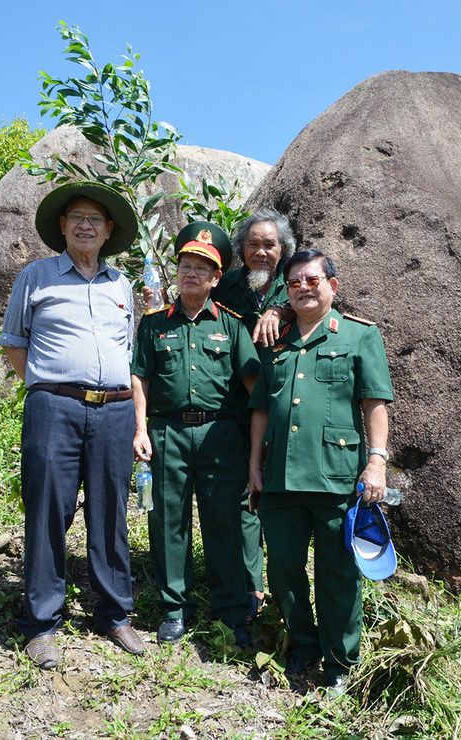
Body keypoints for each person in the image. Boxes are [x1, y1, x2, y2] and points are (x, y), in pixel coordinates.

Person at [0, 181, 145, 669]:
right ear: (62, 226)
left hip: (115, 410)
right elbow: (15, 342)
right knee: (48, 509)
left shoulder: (121, 285)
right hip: (54, 408)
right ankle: (41, 624)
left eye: (95, 219)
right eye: (77, 217)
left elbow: (127, 351)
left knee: (111, 511)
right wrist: (49, 388)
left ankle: (114, 615)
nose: (86, 225)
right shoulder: (36, 276)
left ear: (108, 231)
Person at [247, 249, 394, 693]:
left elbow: (374, 402)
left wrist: (376, 461)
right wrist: (255, 465)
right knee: (284, 571)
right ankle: (303, 645)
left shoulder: (359, 335)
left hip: (336, 476)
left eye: (312, 280)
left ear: (332, 285)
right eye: (294, 283)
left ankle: (339, 662)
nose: (303, 289)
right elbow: (261, 409)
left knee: (338, 574)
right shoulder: (276, 341)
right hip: (280, 478)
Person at [131, 223, 260, 645]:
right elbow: (140, 379)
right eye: (185, 265)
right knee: (168, 520)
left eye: (201, 268)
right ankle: (175, 608)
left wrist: (267, 438)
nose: (191, 273)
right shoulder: (154, 324)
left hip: (220, 434)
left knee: (224, 521)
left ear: (215, 278)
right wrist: (140, 429)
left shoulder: (233, 326)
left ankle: (230, 609)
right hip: (167, 433)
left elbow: (252, 385)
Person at [210, 210, 296, 620]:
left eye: (269, 244)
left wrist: (279, 310)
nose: (261, 252)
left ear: (283, 249)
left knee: (280, 498)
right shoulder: (226, 286)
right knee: (245, 493)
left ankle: (287, 588)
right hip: (236, 407)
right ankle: (250, 586)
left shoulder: (295, 282)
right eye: (253, 244)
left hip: (286, 405)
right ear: (241, 248)